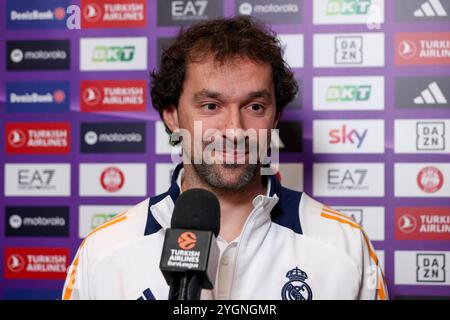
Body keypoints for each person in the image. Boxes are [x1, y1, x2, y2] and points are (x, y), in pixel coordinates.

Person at [62, 16, 388, 300]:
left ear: (275, 118)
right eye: (211, 106)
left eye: (254, 107)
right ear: (173, 116)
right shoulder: (104, 253)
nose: (235, 130)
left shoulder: (343, 247)